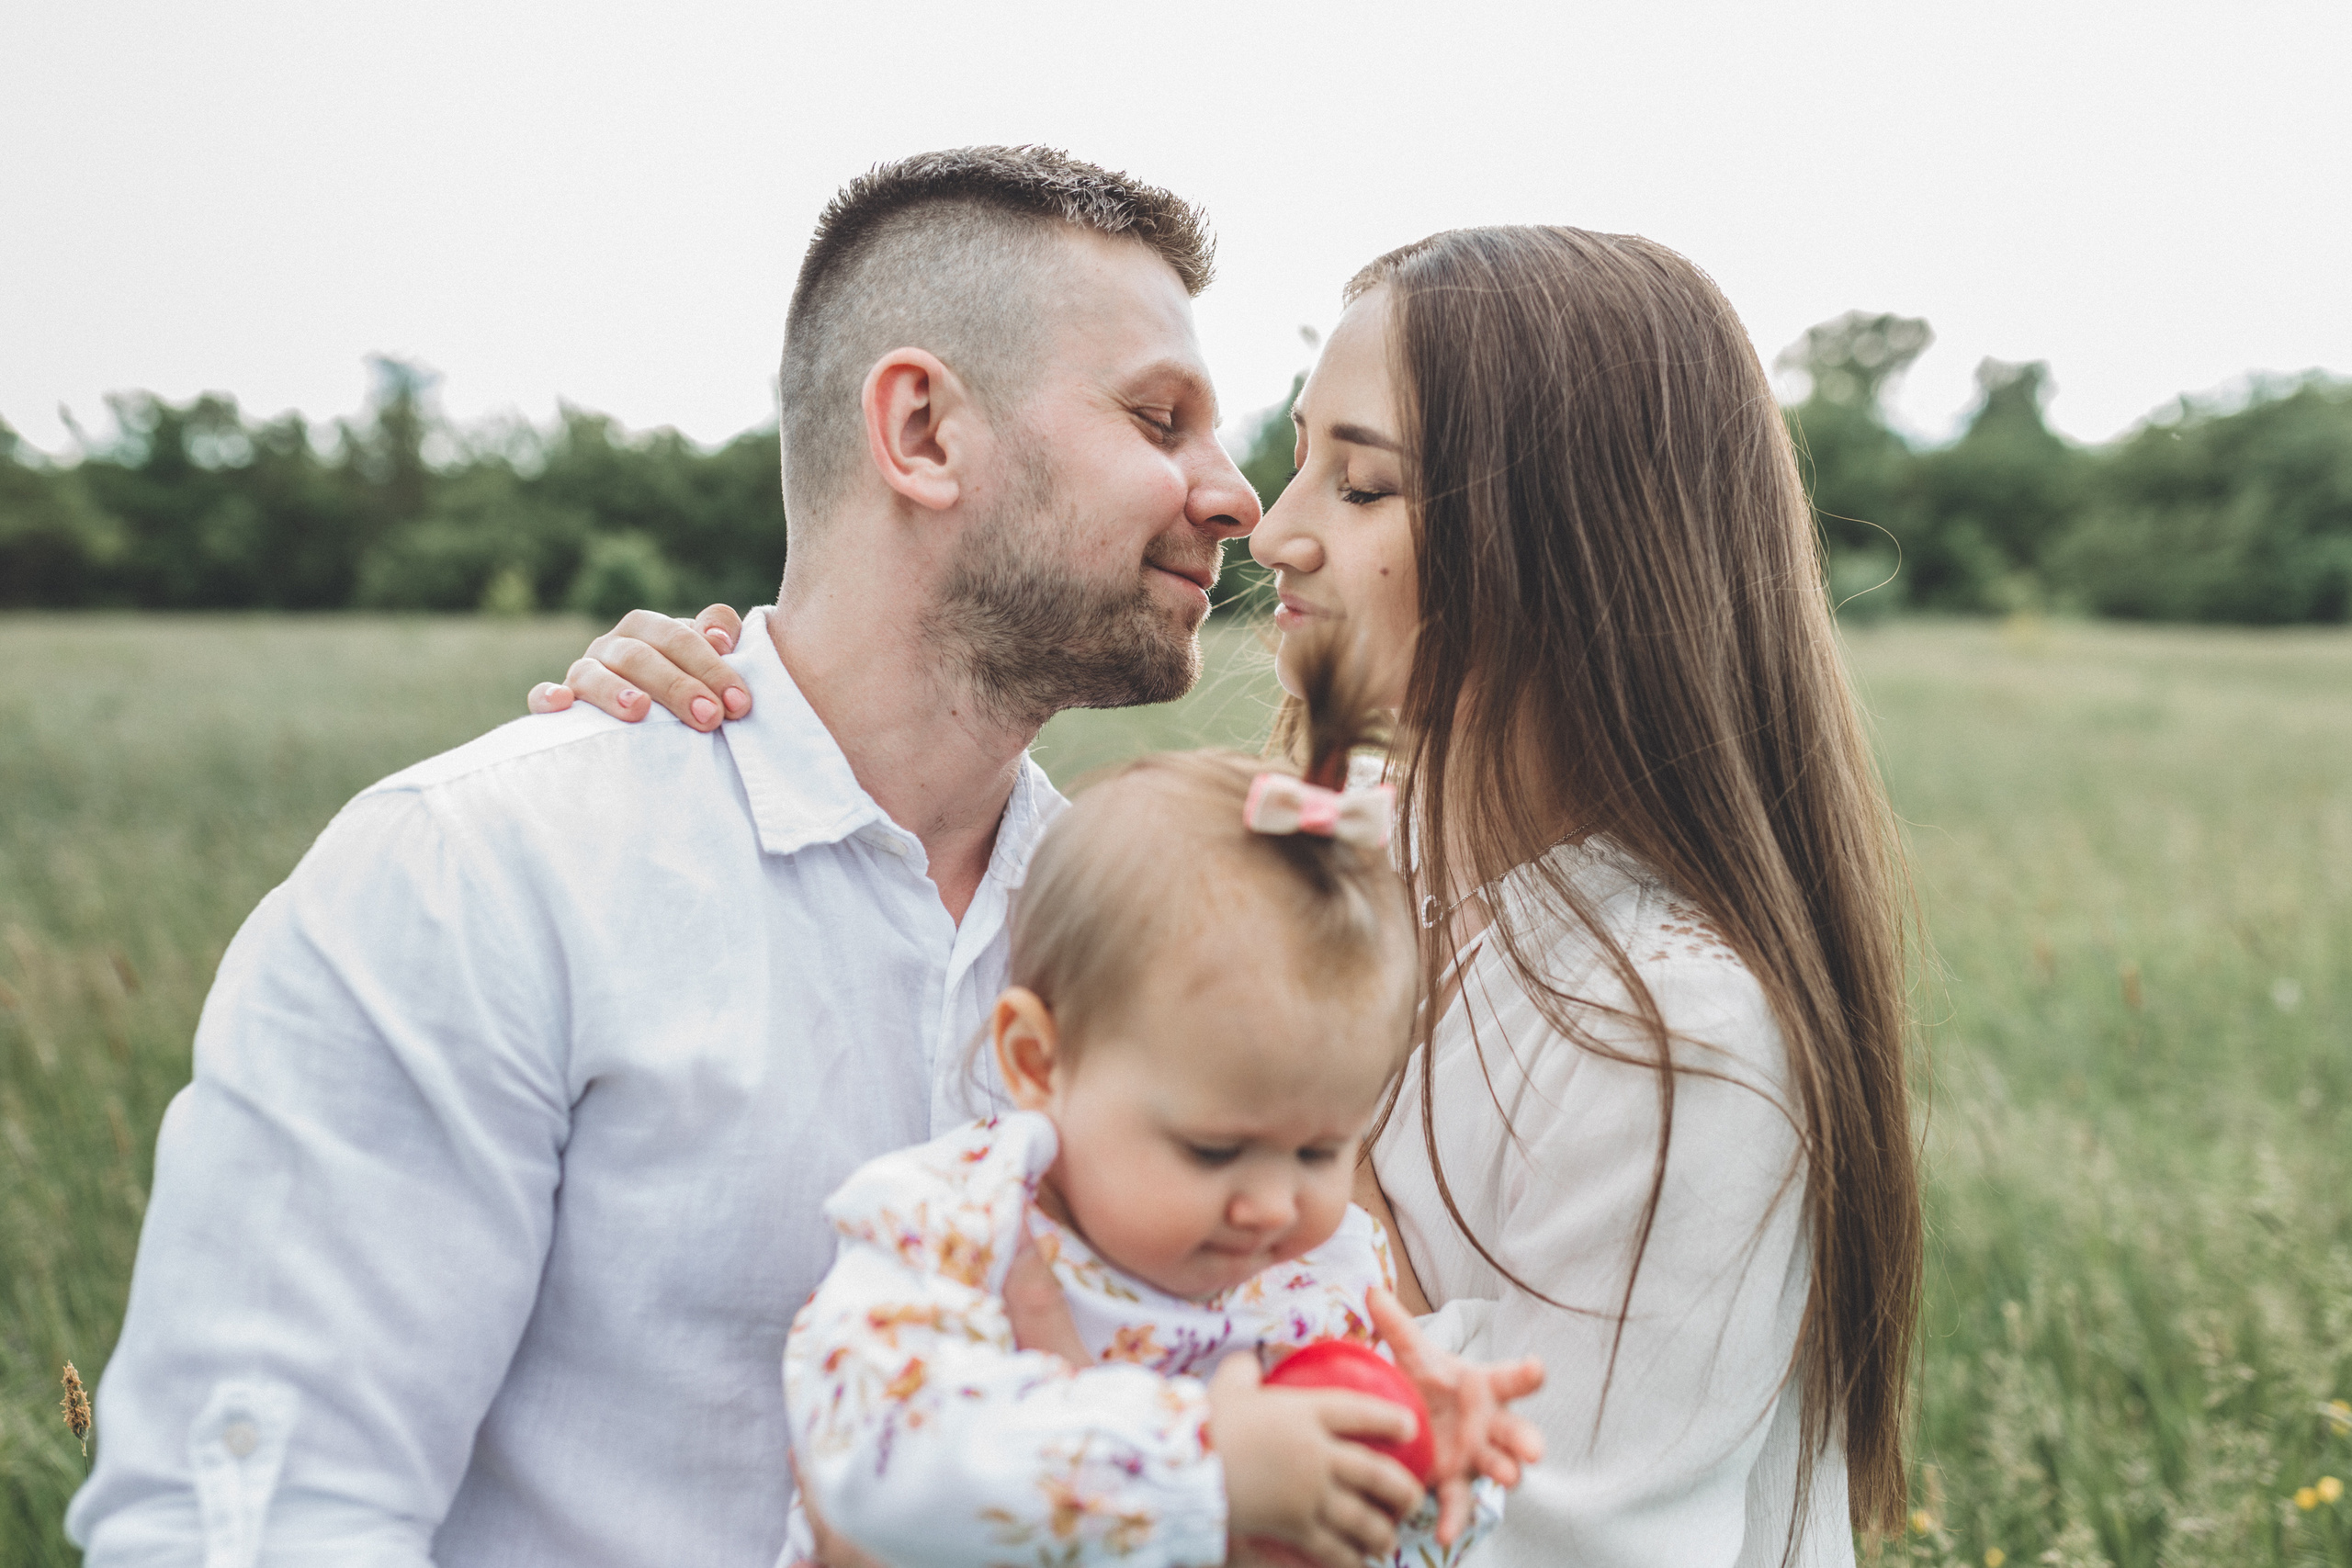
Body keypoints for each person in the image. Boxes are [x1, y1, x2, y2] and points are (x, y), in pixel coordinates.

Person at [580, 224, 1924, 1567]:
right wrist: (751, 694)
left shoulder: (1666, 1026)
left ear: (1572, 545)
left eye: (1361, 485)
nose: (1274, 533)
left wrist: (1258, 1412)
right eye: (1300, 466)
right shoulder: (1314, 865)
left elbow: (1572, 1542)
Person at [66, 146, 1264, 1568]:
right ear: (925, 431)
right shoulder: (476, 875)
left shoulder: (1149, 935)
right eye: (1160, 417)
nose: (1235, 491)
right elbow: (248, 1524)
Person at [781, 657, 1543, 1568]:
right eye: (1215, 1149)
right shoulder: (950, 1227)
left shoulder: (1319, 1281)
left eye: (1318, 1152)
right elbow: (874, 1461)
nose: (1269, 1204)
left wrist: (1418, 1480)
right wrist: (1209, 1468)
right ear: (1037, 1061)